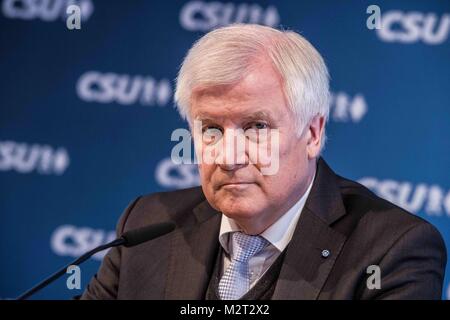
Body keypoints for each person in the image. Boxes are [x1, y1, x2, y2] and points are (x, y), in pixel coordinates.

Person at [81, 24, 446, 300]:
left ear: (313, 134)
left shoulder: (392, 251)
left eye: (256, 126)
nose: (228, 156)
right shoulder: (148, 225)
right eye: (211, 129)